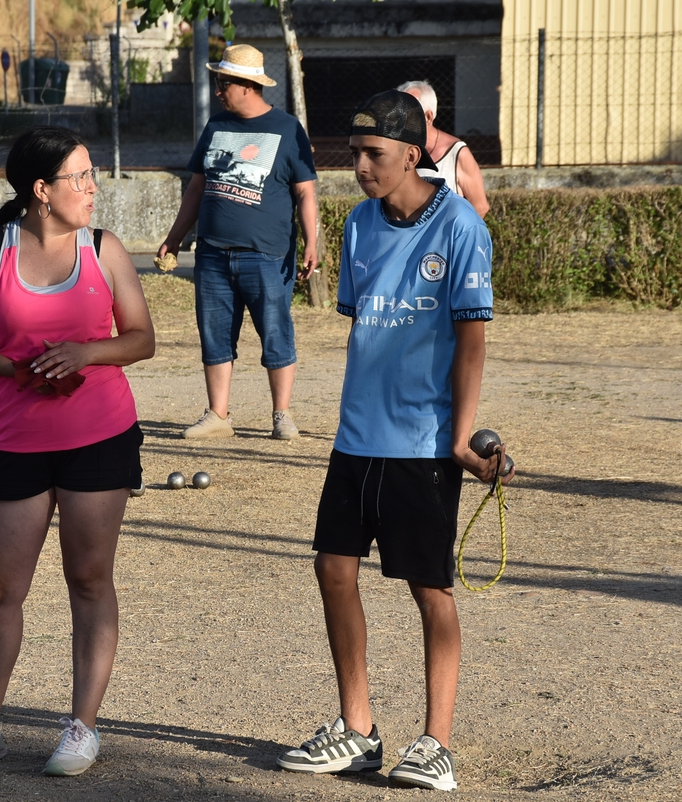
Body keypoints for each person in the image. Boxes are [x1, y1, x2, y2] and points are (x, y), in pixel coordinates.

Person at [275, 90, 513, 791]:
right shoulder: (358, 227)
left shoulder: (463, 228)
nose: (359, 166)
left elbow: (471, 344)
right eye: (353, 153)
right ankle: (357, 730)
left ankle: (436, 743)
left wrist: (462, 438)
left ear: (413, 154)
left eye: (373, 154)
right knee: (332, 569)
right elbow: (365, 327)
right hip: (357, 437)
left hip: (424, 442)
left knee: (430, 589)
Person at [0, 127, 155, 776]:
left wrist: (87, 352)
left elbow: (141, 338)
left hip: (100, 436)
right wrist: (15, 368)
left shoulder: (104, 249)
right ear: (42, 192)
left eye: (93, 175)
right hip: (16, 442)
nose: (93, 188)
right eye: (81, 178)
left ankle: (82, 728)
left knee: (89, 580)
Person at [157, 44, 319, 441]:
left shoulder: (286, 128)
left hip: (266, 255)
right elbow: (197, 188)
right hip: (212, 253)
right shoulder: (215, 127)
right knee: (214, 335)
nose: (217, 90)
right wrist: (174, 238)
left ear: (247, 86)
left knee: (276, 333)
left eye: (223, 82)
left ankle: (281, 415)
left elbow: (305, 192)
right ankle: (218, 415)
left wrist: (313, 241)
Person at [398, 80, 490, 218]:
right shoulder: (397, 149)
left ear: (428, 117)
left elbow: (480, 206)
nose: (400, 119)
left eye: (407, 113)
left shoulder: (457, 153)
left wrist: (453, 236)